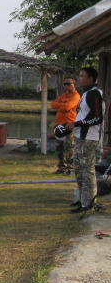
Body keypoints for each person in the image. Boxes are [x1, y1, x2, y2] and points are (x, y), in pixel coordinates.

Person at [65, 67, 104, 213]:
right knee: (79, 170)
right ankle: (82, 199)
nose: (79, 78)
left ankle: (88, 203)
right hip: (80, 136)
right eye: (79, 75)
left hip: (89, 138)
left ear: (91, 78)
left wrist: (77, 123)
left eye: (82, 76)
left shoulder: (94, 94)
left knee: (87, 171)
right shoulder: (86, 93)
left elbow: (97, 117)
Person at [51, 76, 80, 175]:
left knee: (69, 147)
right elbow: (53, 104)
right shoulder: (64, 95)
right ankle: (61, 167)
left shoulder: (76, 96)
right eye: (65, 84)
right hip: (59, 125)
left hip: (69, 124)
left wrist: (61, 105)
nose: (66, 86)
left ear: (74, 84)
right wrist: (62, 105)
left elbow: (67, 107)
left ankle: (70, 168)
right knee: (59, 147)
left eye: (69, 84)